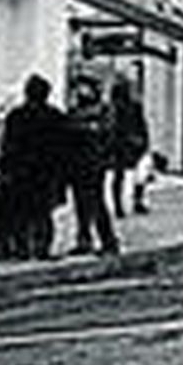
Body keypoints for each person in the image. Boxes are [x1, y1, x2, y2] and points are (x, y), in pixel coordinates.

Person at [0, 74, 68, 259]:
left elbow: (8, 145)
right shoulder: (55, 116)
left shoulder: (16, 116)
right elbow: (63, 149)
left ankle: (22, 249)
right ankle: (41, 248)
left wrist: (6, 169)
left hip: (22, 171)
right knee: (42, 213)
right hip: (46, 171)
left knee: (21, 212)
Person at [67, 75, 120, 256]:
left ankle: (108, 241)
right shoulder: (75, 111)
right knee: (81, 203)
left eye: (84, 88)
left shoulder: (103, 110)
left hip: (94, 162)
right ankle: (84, 239)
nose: (80, 92)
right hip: (77, 162)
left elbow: (106, 134)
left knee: (96, 202)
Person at [107, 78, 151, 216]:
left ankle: (124, 205)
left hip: (125, 144)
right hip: (124, 144)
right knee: (134, 175)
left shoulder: (116, 108)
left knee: (131, 175)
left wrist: (144, 140)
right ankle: (127, 204)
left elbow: (142, 124)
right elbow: (142, 125)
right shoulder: (116, 108)